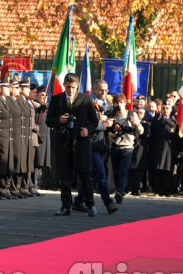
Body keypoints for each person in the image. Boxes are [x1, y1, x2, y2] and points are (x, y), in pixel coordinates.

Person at [46, 73, 99, 217]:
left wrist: (87, 130)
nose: (70, 90)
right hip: (63, 142)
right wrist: (59, 120)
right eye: (68, 87)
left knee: (85, 174)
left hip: (81, 142)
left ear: (77, 86)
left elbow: (94, 121)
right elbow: (49, 120)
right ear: (64, 85)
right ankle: (66, 206)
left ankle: (90, 204)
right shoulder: (57, 99)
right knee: (65, 175)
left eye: (73, 87)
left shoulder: (86, 99)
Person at [73, 80, 118, 214]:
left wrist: (113, 126)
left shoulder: (107, 104)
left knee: (90, 176)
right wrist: (105, 125)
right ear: (94, 89)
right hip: (90, 143)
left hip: (101, 144)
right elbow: (88, 123)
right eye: (101, 90)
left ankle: (79, 201)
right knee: (101, 174)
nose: (104, 93)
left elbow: (107, 123)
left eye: (106, 90)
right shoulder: (88, 103)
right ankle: (108, 203)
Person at [107, 93, 144, 204]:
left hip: (127, 147)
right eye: (117, 103)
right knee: (116, 171)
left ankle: (120, 191)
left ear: (125, 103)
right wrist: (112, 133)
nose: (119, 105)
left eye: (121, 102)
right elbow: (107, 131)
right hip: (115, 146)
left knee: (123, 170)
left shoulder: (131, 114)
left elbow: (141, 131)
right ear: (113, 104)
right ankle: (118, 190)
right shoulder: (112, 116)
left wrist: (136, 124)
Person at [150, 100, 179, 197]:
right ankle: (158, 190)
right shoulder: (156, 120)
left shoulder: (175, 121)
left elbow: (178, 136)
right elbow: (152, 135)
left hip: (170, 149)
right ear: (160, 109)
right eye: (163, 108)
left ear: (171, 109)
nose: (165, 110)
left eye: (167, 108)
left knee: (168, 169)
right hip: (159, 148)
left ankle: (168, 190)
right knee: (158, 169)